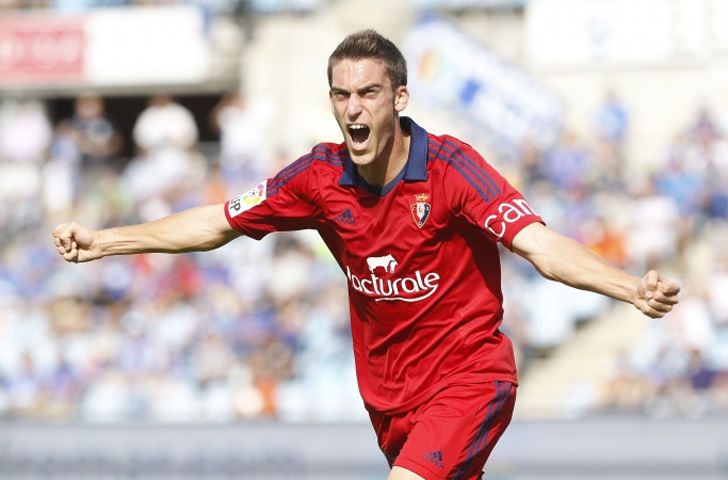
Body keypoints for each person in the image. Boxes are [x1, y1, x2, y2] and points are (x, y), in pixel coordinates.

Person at [53, 30, 680, 480]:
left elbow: (540, 246)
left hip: (468, 378)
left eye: (368, 94)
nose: (353, 108)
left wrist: (629, 289)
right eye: (341, 94)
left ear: (399, 99)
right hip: (387, 398)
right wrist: (108, 241)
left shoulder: (452, 170)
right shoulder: (318, 178)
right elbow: (219, 223)